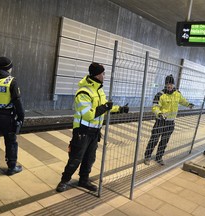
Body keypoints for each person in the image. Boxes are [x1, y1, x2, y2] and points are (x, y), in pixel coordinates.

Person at [56, 62, 129, 192]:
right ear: (97, 74)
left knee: (89, 158)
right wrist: (106, 107)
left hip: (95, 132)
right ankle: (64, 180)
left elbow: (103, 108)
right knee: (76, 158)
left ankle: (83, 180)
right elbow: (88, 114)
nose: (104, 76)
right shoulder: (83, 92)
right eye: (103, 73)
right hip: (82, 131)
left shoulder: (99, 90)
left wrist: (119, 109)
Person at [144, 74, 194, 165]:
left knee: (164, 141)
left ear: (173, 85)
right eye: (167, 84)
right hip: (160, 121)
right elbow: (155, 107)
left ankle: (159, 157)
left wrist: (188, 105)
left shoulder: (177, 94)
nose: (169, 86)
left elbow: (183, 101)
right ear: (165, 84)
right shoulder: (160, 95)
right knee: (154, 139)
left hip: (170, 122)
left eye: (171, 84)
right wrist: (159, 113)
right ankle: (147, 156)